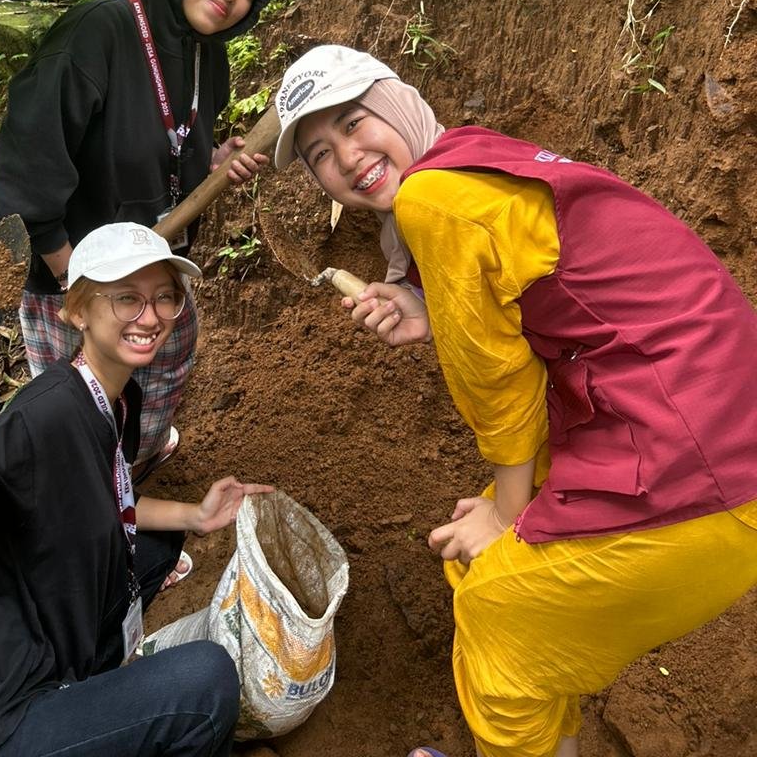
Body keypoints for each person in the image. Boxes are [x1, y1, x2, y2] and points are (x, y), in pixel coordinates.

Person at [273, 43, 757, 757]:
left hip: (694, 469)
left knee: (495, 611)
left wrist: (508, 511)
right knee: (490, 580)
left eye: (352, 121)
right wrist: (426, 306)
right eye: (319, 153)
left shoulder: (431, 197)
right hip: (700, 427)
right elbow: (542, 294)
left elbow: (497, 382)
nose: (344, 156)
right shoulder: (473, 161)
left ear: (397, 100)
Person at [0, 221, 273, 757]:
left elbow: (107, 501)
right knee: (207, 681)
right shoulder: (45, 416)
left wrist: (197, 515)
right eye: (127, 299)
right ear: (77, 311)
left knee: (157, 546)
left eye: (164, 298)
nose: (151, 317)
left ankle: (91, 688)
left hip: (44, 640)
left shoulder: (118, 398)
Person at [0, 0, 273, 473]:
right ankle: (98, 503)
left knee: (168, 355)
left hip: (153, 259)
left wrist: (212, 162)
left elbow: (170, 141)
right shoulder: (98, 32)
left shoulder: (205, 53)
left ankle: (133, 464)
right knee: (80, 408)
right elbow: (28, 161)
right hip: (74, 269)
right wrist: (78, 281)